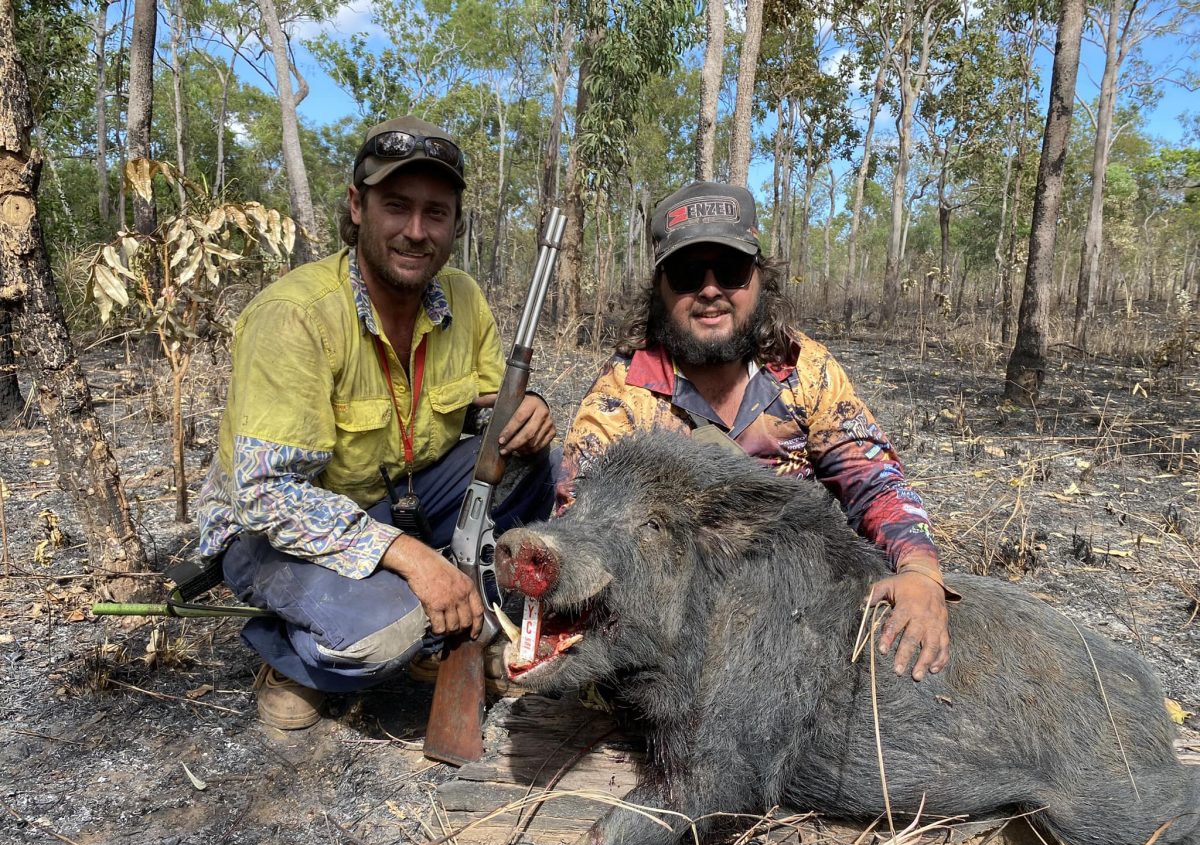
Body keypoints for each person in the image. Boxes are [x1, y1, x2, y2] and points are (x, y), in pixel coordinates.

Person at [195, 116, 558, 729]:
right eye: (396, 207)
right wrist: (414, 559)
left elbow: (495, 407)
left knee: (533, 462)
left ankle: (472, 612)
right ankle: (289, 654)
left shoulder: (462, 299)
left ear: (455, 224)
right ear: (357, 207)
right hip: (272, 532)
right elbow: (265, 498)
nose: (416, 232)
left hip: (398, 500)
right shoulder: (295, 317)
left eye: (435, 213)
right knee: (387, 635)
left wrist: (531, 413)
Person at [559, 181, 956, 681]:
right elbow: (582, 519)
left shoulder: (803, 368)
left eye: (729, 271)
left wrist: (920, 572)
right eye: (686, 274)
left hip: (803, 600)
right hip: (681, 619)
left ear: (759, 280)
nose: (709, 290)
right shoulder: (624, 392)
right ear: (659, 289)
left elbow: (875, 480)